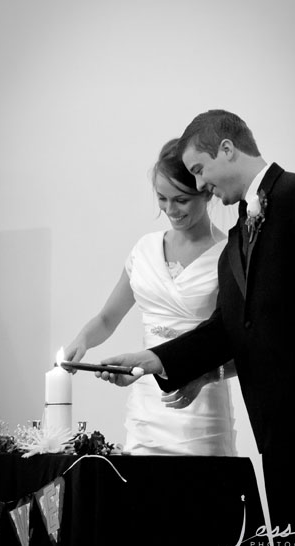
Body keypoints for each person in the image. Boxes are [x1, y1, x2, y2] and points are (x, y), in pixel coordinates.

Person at [97, 110, 295, 546]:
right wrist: (154, 359)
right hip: (276, 424)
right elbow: (227, 328)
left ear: (226, 149)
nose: (201, 186)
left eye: (199, 171)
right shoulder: (240, 231)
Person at [65, 138, 236, 456]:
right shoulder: (144, 249)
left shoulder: (229, 254)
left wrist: (205, 376)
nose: (171, 210)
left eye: (181, 200)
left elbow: (242, 344)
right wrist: (82, 341)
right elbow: (106, 318)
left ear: (205, 191)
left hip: (202, 411)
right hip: (145, 408)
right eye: (162, 198)